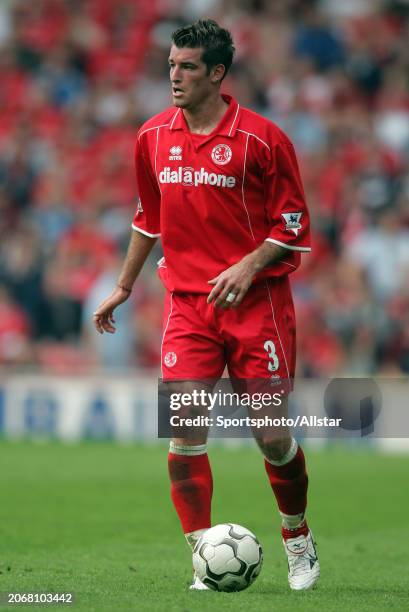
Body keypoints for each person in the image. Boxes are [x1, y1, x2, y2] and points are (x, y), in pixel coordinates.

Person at [93, 19, 319, 591]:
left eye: (188, 66)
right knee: (186, 430)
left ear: (217, 73)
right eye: (171, 64)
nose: (175, 75)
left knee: (270, 435)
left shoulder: (264, 140)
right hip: (188, 306)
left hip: (256, 303)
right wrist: (124, 285)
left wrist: (247, 265)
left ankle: (298, 538)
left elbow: (292, 225)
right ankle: (204, 557)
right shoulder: (151, 136)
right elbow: (149, 218)